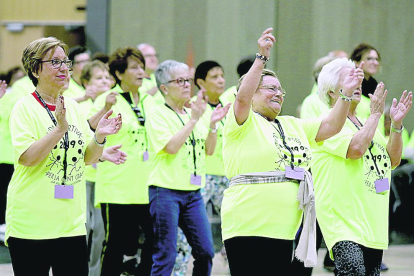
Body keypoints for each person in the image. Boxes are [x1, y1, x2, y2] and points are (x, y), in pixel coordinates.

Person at [220, 28, 364, 275]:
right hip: (247, 226)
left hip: (285, 229)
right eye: (270, 88)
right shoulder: (242, 121)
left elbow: (331, 125)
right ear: (253, 93)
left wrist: (346, 95)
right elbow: (242, 99)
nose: (278, 93)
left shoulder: (292, 124)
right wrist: (261, 58)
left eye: (280, 90)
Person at [5, 37, 122, 276]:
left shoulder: (74, 107)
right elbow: (27, 158)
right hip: (32, 223)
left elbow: (86, 157)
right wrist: (58, 130)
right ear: (36, 69)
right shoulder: (24, 107)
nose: (64, 69)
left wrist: (99, 138)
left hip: (71, 224)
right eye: (55, 62)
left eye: (66, 63)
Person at [311, 57, 412, 275]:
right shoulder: (325, 123)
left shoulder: (366, 123)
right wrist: (376, 114)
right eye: (350, 77)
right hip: (344, 225)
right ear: (331, 91)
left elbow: (392, 161)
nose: (358, 83)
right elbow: (355, 149)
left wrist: (395, 126)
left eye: (358, 77)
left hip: (373, 223)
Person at [145, 59, 230, 275]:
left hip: (193, 193)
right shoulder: (157, 114)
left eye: (188, 80)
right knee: (166, 254)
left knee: (205, 251)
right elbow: (171, 147)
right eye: (180, 81)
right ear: (164, 88)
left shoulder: (194, 112)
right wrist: (194, 120)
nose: (186, 85)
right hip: (165, 191)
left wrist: (211, 126)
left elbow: (208, 151)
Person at [90, 47, 156, 276]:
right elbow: (91, 128)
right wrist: (105, 108)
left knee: (155, 238)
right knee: (115, 244)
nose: (140, 72)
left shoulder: (150, 100)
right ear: (119, 74)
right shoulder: (107, 99)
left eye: (142, 67)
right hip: (117, 186)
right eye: (134, 67)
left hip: (147, 185)